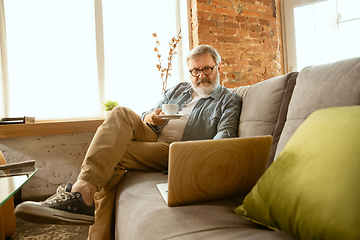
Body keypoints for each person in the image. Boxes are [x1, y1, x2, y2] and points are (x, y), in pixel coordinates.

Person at [15, 44, 242, 239]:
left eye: (206, 69)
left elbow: (225, 137)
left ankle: (81, 194)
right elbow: (147, 112)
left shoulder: (228, 100)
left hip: (177, 150)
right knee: (121, 112)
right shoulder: (180, 89)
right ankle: (82, 196)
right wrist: (150, 117)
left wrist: (197, 158)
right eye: (195, 71)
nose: (200, 76)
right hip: (153, 134)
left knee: (112, 156)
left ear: (218, 67)